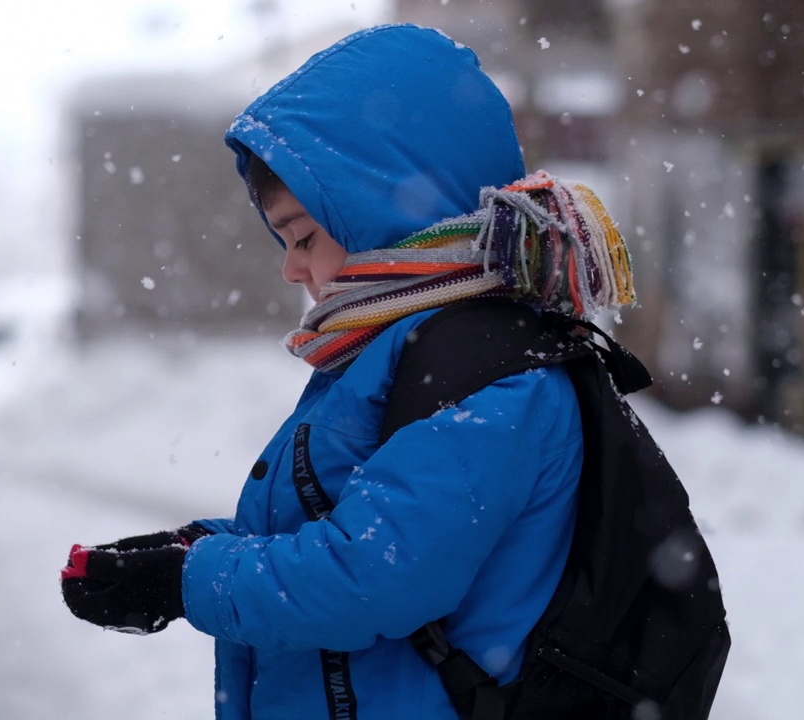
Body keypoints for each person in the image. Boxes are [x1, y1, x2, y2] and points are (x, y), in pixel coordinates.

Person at [61, 23, 636, 719]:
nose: (291, 267)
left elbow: (373, 576)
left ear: (386, 211)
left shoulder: (489, 375)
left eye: (304, 236)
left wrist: (187, 580)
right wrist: (196, 550)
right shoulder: (409, 348)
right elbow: (351, 525)